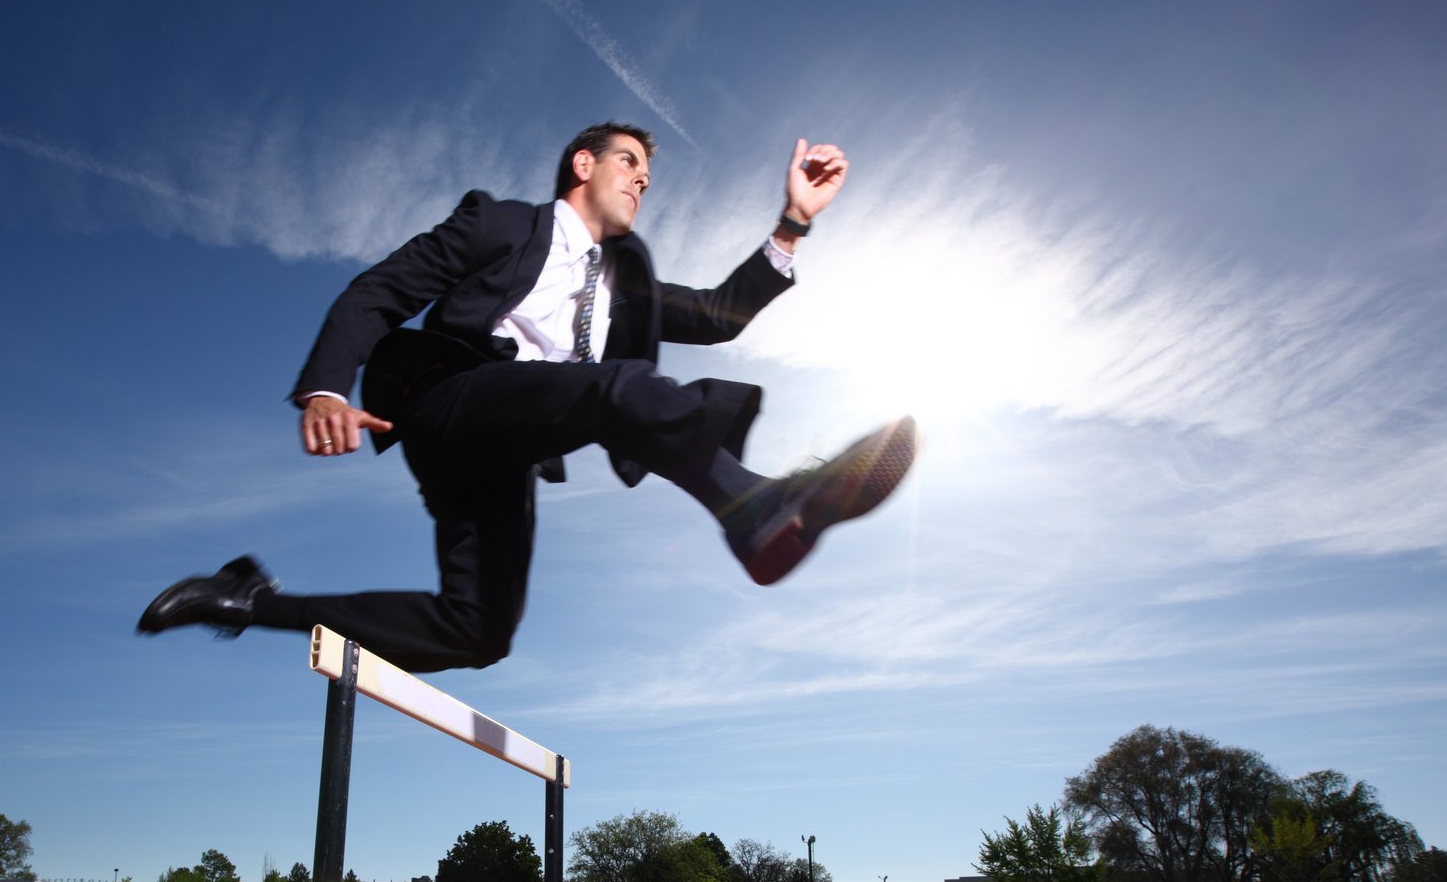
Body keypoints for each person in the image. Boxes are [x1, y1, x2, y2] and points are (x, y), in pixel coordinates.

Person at [138, 121, 917, 673]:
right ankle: (751, 504)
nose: (642, 181)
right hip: (445, 400)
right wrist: (321, 390)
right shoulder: (499, 225)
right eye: (629, 164)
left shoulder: (628, 282)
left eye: (648, 175)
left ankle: (247, 600)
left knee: (478, 630)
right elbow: (379, 292)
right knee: (619, 388)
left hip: (513, 448)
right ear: (583, 165)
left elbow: (719, 315)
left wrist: (791, 224)